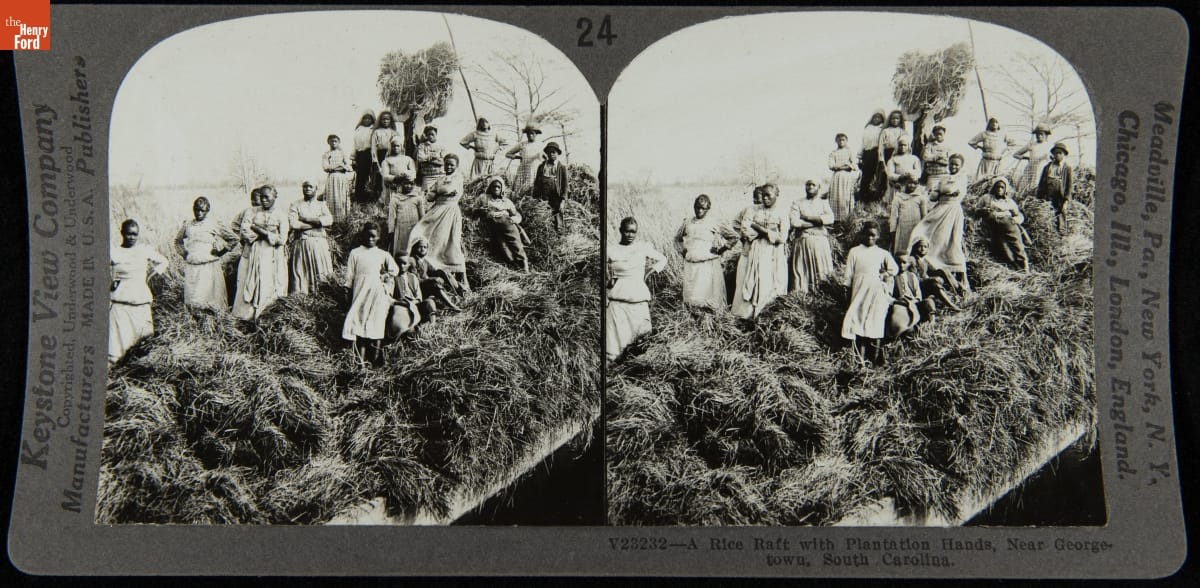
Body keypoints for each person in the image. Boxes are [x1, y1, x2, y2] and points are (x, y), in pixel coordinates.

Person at [605, 217, 666, 361]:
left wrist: (649, 271)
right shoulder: (611, 250)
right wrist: (609, 279)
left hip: (638, 299)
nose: (630, 235)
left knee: (641, 341)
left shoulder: (642, 248)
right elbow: (604, 270)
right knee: (615, 348)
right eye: (627, 231)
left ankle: (637, 365)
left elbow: (663, 259)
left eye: (633, 232)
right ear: (621, 230)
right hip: (618, 301)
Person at [110, 219, 169, 364]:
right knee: (119, 344)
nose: (132, 237)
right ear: (122, 233)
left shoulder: (143, 250)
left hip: (140, 301)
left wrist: (150, 276)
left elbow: (164, 261)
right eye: (128, 234)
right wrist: (111, 282)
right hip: (121, 302)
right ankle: (119, 369)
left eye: (135, 234)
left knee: (142, 342)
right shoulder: (114, 252)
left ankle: (138, 367)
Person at [908, 153, 970, 293]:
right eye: (951, 164)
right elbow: (933, 196)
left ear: (960, 166)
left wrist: (943, 192)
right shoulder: (944, 178)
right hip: (939, 209)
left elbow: (953, 191)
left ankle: (959, 279)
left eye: (956, 165)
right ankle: (929, 266)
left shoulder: (962, 178)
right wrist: (938, 193)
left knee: (950, 242)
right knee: (922, 231)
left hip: (952, 211)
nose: (953, 167)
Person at [342, 222, 399, 367]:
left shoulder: (382, 254)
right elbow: (350, 275)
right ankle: (359, 362)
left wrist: (385, 276)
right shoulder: (355, 253)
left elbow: (395, 270)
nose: (370, 239)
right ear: (362, 236)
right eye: (367, 235)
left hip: (377, 293)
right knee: (359, 325)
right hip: (360, 292)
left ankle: (375, 361)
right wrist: (347, 290)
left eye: (373, 236)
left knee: (376, 325)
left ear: (378, 237)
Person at [407, 153, 468, 289]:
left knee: (451, 243)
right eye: (446, 164)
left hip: (449, 211)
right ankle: (430, 267)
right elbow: (429, 196)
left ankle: (462, 279)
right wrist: (434, 193)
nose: (449, 167)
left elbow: (451, 190)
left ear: (456, 166)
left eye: (452, 164)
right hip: (436, 210)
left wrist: (439, 193)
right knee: (420, 231)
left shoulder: (458, 177)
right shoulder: (440, 179)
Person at [841, 221, 898, 365]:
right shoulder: (855, 251)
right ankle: (859, 359)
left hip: (876, 292)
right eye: (867, 234)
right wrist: (846, 290)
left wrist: (885, 274)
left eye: (873, 235)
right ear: (862, 234)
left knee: (875, 322)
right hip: (859, 290)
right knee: (858, 322)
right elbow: (848, 274)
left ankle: (875, 358)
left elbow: (894, 269)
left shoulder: (882, 253)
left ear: (878, 236)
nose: (870, 238)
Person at [731, 183, 790, 319]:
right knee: (752, 278)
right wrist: (769, 233)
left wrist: (758, 227)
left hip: (773, 253)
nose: (765, 198)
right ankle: (747, 315)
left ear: (777, 195)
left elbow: (782, 237)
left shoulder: (782, 213)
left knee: (770, 281)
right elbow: (745, 229)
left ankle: (766, 314)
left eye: (769, 195)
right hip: (755, 251)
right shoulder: (752, 210)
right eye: (763, 195)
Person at [233, 185, 289, 321]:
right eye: (262, 197)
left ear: (275, 197)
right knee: (253, 280)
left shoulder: (281, 215)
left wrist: (260, 230)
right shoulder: (251, 212)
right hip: (255, 252)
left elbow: (282, 239)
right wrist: (261, 234)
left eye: (267, 197)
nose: (263, 200)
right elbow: (244, 230)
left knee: (270, 281)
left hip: (273, 255)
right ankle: (248, 316)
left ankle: (267, 315)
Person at [674, 194, 738, 308]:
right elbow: (677, 239)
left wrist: (721, 249)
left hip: (707, 264)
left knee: (707, 296)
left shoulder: (714, 221)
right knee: (692, 298)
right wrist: (683, 251)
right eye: (697, 207)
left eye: (702, 208)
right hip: (691, 264)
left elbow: (734, 236)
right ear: (693, 207)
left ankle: (711, 318)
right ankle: (693, 317)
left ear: (708, 209)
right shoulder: (687, 222)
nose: (699, 210)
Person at [175, 197, 233, 311]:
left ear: (207, 211)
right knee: (194, 300)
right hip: (193, 267)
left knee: (211, 300)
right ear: (193, 209)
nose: (199, 213)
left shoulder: (214, 224)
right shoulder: (188, 225)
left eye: (202, 210)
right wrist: (185, 254)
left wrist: (220, 252)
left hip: (209, 266)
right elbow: (177, 241)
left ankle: (214, 319)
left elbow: (233, 239)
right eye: (196, 210)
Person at [789, 180, 835, 294]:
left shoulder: (824, 203)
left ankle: (821, 293)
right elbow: (795, 222)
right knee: (801, 269)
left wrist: (807, 217)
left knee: (821, 269)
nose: (810, 187)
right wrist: (817, 222)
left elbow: (830, 219)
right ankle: (802, 294)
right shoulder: (797, 203)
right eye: (808, 185)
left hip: (820, 242)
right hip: (803, 240)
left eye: (813, 185)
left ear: (819, 187)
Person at [289, 181, 335, 295]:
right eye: (305, 186)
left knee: (320, 268)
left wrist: (305, 219)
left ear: (316, 189)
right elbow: (294, 224)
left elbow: (329, 220)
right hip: (302, 242)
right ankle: (302, 295)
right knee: (301, 270)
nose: (307, 189)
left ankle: (321, 293)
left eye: (310, 186)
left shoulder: (321, 204)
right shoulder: (295, 205)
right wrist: (317, 223)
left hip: (319, 242)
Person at [481, 175, 529, 272]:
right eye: (494, 186)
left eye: (498, 187)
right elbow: (475, 210)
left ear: (502, 188)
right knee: (503, 248)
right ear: (490, 187)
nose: (496, 189)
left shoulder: (506, 201)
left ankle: (525, 267)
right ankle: (514, 267)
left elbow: (516, 214)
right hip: (495, 227)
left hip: (508, 225)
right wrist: (483, 212)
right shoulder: (485, 199)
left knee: (516, 245)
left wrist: (514, 219)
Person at [984, 177, 1029, 271]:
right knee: (1004, 247)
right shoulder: (988, 199)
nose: (999, 189)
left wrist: (1015, 220)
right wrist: (984, 212)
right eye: (997, 187)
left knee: (1017, 245)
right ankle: (1015, 267)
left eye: (1002, 187)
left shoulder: (1009, 202)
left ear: (1005, 189)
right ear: (994, 188)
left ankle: (1024, 266)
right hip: (995, 226)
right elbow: (977, 209)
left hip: (1009, 225)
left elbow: (1018, 215)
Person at [408, 238, 464, 312]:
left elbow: (434, 271)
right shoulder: (412, 261)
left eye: (425, 247)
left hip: (427, 283)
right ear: (415, 248)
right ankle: (451, 306)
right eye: (420, 247)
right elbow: (415, 281)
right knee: (435, 284)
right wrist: (433, 279)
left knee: (442, 272)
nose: (422, 249)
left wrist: (443, 273)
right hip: (420, 288)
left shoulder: (424, 261)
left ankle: (457, 293)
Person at [910, 238, 962, 313]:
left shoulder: (924, 260)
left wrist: (941, 274)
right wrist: (932, 279)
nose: (922, 249)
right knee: (935, 284)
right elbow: (914, 279)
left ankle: (956, 293)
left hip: (927, 282)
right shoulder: (913, 260)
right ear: (915, 248)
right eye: (920, 246)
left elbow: (934, 271)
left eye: (925, 247)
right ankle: (951, 306)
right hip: (920, 287)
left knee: (942, 271)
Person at [231, 187, 260, 307]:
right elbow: (234, 225)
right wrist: (242, 238)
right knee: (246, 274)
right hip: (249, 247)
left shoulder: (267, 212)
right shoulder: (246, 212)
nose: (254, 203)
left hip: (263, 249)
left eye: (257, 200)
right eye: (252, 200)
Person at [1036, 142, 1074, 234]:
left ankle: (1062, 233)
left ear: (1064, 155)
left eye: (1060, 153)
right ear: (1053, 154)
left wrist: (1066, 199)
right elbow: (1042, 182)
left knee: (1061, 212)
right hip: (1048, 193)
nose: (1057, 155)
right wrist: (1039, 196)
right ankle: (1049, 232)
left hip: (1060, 195)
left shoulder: (1067, 168)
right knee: (1048, 212)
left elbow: (1069, 185)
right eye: (1056, 153)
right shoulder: (1048, 167)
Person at [386, 174, 425, 262]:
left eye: (411, 184)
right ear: (401, 184)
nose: (408, 186)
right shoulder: (395, 199)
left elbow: (423, 217)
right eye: (406, 183)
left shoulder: (418, 198)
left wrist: (423, 229)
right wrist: (391, 231)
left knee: (414, 250)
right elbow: (391, 217)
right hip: (401, 230)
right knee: (401, 251)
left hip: (414, 229)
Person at [888, 173, 928, 256]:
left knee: (915, 249)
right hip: (903, 228)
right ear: (905, 183)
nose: (912, 185)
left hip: (916, 228)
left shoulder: (921, 198)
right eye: (909, 183)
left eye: (915, 183)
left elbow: (924, 216)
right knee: (903, 250)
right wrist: (893, 230)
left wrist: (924, 229)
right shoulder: (898, 198)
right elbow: (894, 216)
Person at [533, 141, 569, 232]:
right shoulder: (541, 167)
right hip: (544, 195)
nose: (551, 154)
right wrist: (535, 197)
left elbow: (565, 185)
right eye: (549, 152)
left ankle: (560, 232)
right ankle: (545, 232)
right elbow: (537, 183)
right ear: (547, 153)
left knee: (558, 213)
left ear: (557, 153)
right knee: (543, 214)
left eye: (554, 152)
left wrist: (563, 200)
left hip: (556, 196)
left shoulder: (562, 168)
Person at [887, 253, 924, 338]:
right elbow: (888, 295)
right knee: (899, 314)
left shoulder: (912, 276)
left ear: (909, 264)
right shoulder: (892, 277)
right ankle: (902, 330)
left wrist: (913, 300)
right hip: (899, 303)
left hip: (913, 302)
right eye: (898, 262)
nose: (901, 265)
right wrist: (895, 301)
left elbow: (918, 294)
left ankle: (924, 327)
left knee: (928, 303)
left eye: (904, 262)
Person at [1012, 123, 1053, 194]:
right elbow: (1016, 154)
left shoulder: (1049, 146)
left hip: (1042, 169)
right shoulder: (1031, 144)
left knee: (1039, 187)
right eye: (1037, 134)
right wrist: (1026, 158)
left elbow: (1053, 159)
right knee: (1025, 187)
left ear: (1046, 135)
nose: (1039, 136)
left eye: (1041, 134)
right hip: (1031, 168)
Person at [322, 134, 353, 223]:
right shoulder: (326, 154)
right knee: (331, 198)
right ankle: (332, 221)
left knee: (342, 198)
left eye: (335, 141)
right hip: (332, 178)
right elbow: (326, 167)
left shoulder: (342, 153)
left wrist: (336, 167)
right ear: (328, 143)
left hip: (341, 178)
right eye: (331, 141)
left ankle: (343, 220)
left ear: (339, 142)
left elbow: (348, 167)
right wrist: (340, 165)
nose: (333, 143)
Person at [827, 133, 858, 222]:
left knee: (846, 197)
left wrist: (841, 166)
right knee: (836, 197)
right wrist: (845, 164)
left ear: (846, 141)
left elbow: (853, 166)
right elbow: (831, 166)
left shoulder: (849, 152)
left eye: (843, 140)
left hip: (847, 177)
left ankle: (846, 219)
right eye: (839, 140)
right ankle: (835, 220)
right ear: (836, 141)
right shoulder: (833, 153)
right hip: (836, 177)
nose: (841, 141)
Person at [505, 124, 545, 192]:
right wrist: (519, 157)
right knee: (521, 190)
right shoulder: (522, 144)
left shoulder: (541, 145)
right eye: (528, 134)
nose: (530, 135)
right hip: (524, 170)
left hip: (535, 170)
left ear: (536, 134)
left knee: (534, 189)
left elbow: (546, 158)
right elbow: (508, 154)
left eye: (532, 133)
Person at [370, 111, 400, 199]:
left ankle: (391, 197)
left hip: (392, 155)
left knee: (391, 174)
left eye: (387, 119)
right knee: (380, 175)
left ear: (390, 120)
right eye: (383, 119)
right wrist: (375, 161)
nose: (385, 121)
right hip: (380, 155)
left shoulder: (394, 132)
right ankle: (378, 197)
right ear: (380, 120)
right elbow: (373, 147)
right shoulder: (377, 132)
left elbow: (398, 144)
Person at [885, 135, 921, 205]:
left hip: (911, 185)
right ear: (897, 146)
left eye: (905, 145)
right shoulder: (893, 159)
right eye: (901, 145)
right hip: (898, 186)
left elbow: (918, 172)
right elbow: (890, 175)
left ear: (908, 146)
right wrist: (900, 177)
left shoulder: (914, 158)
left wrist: (912, 175)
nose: (903, 147)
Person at [381, 136, 417, 206]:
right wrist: (395, 177)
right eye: (394, 146)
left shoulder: (408, 159)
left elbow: (413, 173)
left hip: (406, 186)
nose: (396, 148)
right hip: (393, 187)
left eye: (398, 146)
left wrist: (407, 175)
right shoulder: (387, 161)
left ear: (401, 147)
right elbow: (385, 176)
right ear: (391, 147)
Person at [859, 109, 886, 202]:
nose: (876, 119)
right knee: (866, 176)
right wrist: (860, 157)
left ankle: (877, 197)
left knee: (878, 175)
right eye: (875, 117)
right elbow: (863, 143)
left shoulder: (882, 128)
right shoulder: (868, 128)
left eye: (879, 117)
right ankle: (864, 197)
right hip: (867, 153)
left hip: (877, 152)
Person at [352, 110, 376, 203]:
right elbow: (354, 144)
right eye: (365, 118)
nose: (367, 120)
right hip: (360, 155)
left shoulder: (374, 129)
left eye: (369, 118)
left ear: (372, 119)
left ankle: (372, 198)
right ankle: (360, 198)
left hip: (370, 153)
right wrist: (353, 158)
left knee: (372, 176)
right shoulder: (358, 130)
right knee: (360, 177)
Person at [415, 125, 447, 191]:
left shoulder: (441, 146)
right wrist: (434, 158)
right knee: (426, 194)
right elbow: (420, 158)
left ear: (436, 134)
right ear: (426, 135)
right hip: (427, 175)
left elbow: (443, 161)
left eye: (432, 134)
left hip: (439, 174)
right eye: (429, 134)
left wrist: (428, 159)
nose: (430, 136)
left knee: (438, 192)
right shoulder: (422, 146)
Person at [921, 125, 952, 190]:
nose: (938, 136)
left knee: (943, 192)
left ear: (944, 134)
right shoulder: (930, 145)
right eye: (936, 134)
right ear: (934, 135)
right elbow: (925, 157)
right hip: (932, 175)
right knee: (930, 194)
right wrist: (937, 157)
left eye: (940, 134)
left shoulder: (948, 146)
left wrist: (933, 160)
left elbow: (949, 160)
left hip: (944, 174)